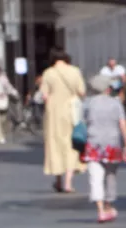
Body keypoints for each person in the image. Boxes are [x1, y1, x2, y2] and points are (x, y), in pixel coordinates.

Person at [82, 74, 126, 223]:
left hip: (93, 143)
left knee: (95, 177)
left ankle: (100, 209)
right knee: (110, 175)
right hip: (112, 144)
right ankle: (109, 204)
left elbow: (82, 123)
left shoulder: (87, 103)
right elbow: (123, 125)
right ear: (107, 89)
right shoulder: (116, 104)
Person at [41, 49, 86, 193]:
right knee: (71, 144)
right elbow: (82, 92)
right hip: (71, 111)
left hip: (54, 112)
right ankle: (68, 182)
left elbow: (44, 95)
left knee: (55, 144)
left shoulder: (48, 73)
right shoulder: (75, 71)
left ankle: (58, 181)